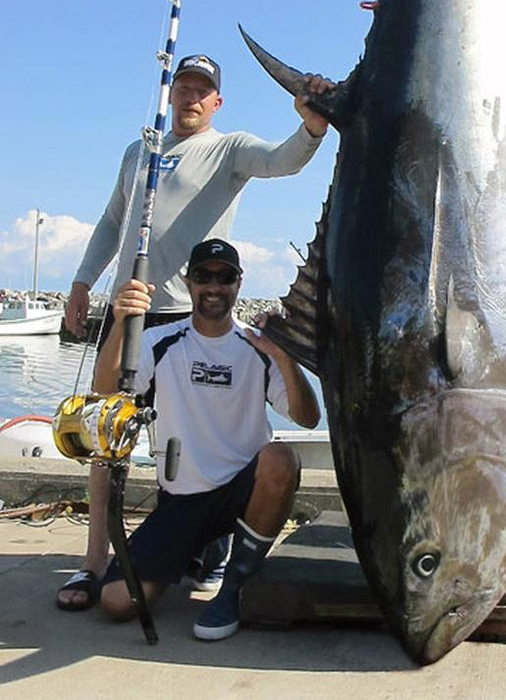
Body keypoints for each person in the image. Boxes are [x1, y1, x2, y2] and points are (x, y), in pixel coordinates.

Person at [57, 53, 331, 612]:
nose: (190, 97)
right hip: (131, 310)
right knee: (108, 439)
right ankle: (93, 565)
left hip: (191, 314)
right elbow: (114, 221)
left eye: (201, 90)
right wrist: (85, 280)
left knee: (204, 432)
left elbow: (283, 162)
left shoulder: (229, 149)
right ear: (170, 93)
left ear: (216, 102)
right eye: (182, 87)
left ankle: (210, 548)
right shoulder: (140, 150)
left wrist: (312, 127)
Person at [95, 239, 320, 641]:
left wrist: (285, 355)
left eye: (225, 277)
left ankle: (232, 589)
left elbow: (308, 418)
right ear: (188, 282)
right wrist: (121, 322)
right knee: (116, 602)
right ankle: (204, 551)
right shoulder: (161, 341)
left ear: (239, 283)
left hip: (240, 493)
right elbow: (106, 393)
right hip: (182, 499)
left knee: (281, 458)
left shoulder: (258, 346)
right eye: (204, 276)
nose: (214, 287)